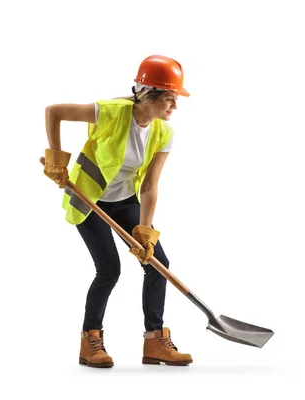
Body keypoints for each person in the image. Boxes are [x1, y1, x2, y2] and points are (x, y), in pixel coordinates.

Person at [40, 55, 192, 368]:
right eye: (169, 99)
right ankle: (90, 341)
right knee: (109, 269)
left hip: (125, 200)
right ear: (148, 95)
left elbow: (149, 187)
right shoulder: (110, 112)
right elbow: (53, 112)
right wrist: (56, 159)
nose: (174, 107)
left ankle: (155, 341)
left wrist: (144, 233)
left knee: (157, 261)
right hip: (90, 199)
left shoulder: (164, 134)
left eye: (176, 100)